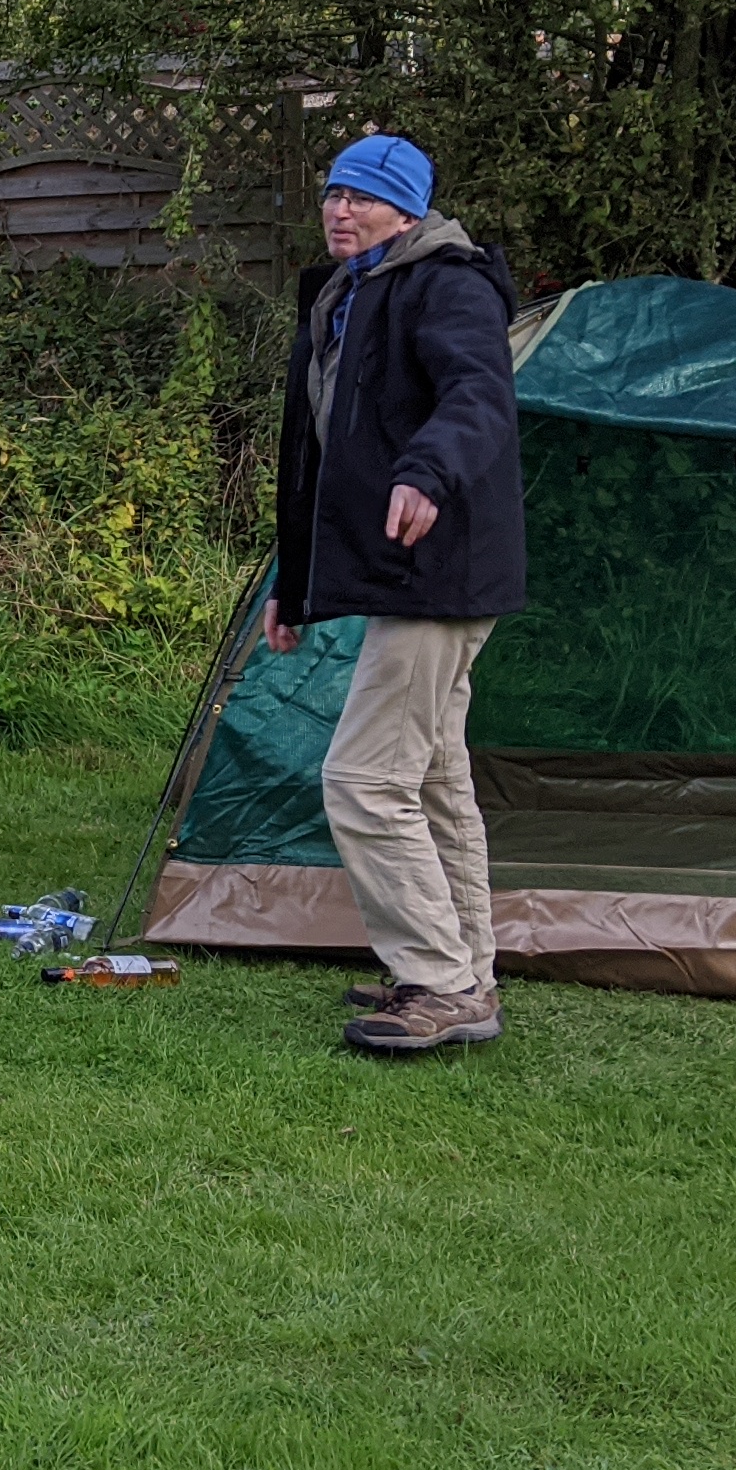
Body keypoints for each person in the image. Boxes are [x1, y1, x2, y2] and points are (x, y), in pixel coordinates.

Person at [261, 131, 525, 1054]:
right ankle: (469, 975)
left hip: (440, 568)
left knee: (364, 780)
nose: (341, 210)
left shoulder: (446, 282)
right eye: (334, 193)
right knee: (436, 780)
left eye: (364, 199)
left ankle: (436, 980)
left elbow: (479, 396)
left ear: (406, 212)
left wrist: (427, 473)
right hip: (403, 574)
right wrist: (293, 586)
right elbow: (315, 458)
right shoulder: (345, 294)